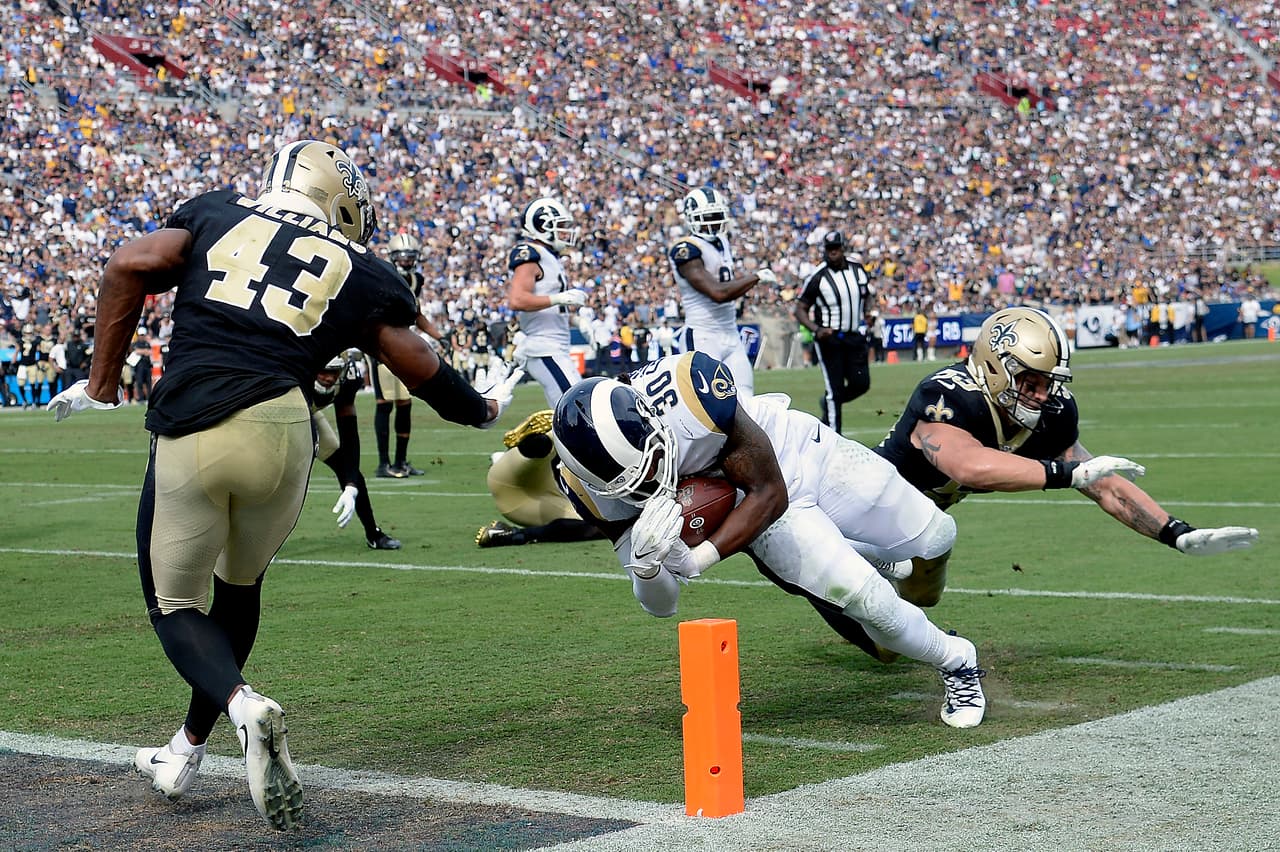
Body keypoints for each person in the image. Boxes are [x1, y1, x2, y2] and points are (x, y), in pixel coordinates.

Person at [46, 139, 522, 831]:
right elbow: (418, 362)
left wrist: (101, 385)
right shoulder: (362, 267)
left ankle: (243, 706)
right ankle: (185, 749)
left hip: (200, 422)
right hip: (289, 432)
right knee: (240, 591)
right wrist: (481, 408)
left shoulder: (217, 212)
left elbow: (129, 263)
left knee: (176, 603)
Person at [550, 352, 988, 729]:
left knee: (935, 535)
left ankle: (867, 553)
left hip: (794, 454)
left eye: (653, 461)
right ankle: (958, 661)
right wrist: (647, 569)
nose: (649, 481)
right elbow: (663, 605)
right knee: (869, 602)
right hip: (758, 513)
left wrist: (699, 559)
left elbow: (771, 491)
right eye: (631, 483)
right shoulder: (584, 487)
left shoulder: (690, 391)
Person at [857, 306, 1259, 660]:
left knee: (922, 596)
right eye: (1030, 381)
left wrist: (1175, 533)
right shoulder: (948, 395)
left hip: (921, 524)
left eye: (1048, 382)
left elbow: (1102, 483)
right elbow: (968, 467)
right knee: (886, 644)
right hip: (854, 516)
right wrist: (1063, 475)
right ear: (995, 367)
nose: (1041, 394)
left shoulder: (1052, 412)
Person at [668, 187, 776, 397]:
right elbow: (718, 294)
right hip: (703, 335)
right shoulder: (685, 249)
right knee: (709, 407)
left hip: (731, 334)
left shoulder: (722, 242)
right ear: (691, 218)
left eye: (716, 217)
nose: (712, 222)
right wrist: (756, 277)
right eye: (706, 217)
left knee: (746, 402)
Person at [474, 409, 607, 548]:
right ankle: (515, 535)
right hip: (524, 476)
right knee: (554, 443)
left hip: (523, 495)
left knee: (596, 524)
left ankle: (509, 533)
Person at [372, 232, 447, 478]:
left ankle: (401, 462)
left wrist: (439, 336)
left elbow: (417, 314)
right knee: (384, 404)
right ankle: (384, 464)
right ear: (393, 257)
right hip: (379, 345)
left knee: (405, 404)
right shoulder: (380, 274)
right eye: (402, 257)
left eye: (410, 257)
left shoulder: (416, 280)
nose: (406, 262)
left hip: (403, 345)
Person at [312, 352, 401, 550]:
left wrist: (351, 485)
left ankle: (373, 533)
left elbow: (349, 432)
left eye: (334, 372)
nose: (329, 378)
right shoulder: (294, 366)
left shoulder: (349, 377)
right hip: (275, 417)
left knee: (348, 469)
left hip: (309, 412)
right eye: (324, 371)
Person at [506, 196, 588, 406]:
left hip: (555, 347)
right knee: (577, 410)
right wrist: (559, 298)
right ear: (542, 227)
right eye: (559, 226)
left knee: (573, 416)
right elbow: (517, 299)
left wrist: (577, 322)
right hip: (543, 347)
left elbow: (548, 308)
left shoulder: (550, 257)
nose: (564, 232)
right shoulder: (530, 253)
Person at [793, 230, 874, 434]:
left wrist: (868, 312)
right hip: (830, 340)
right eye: (829, 249)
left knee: (861, 383)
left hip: (854, 336)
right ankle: (834, 438)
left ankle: (829, 404)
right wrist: (816, 329)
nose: (833, 253)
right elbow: (800, 309)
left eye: (836, 248)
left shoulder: (857, 270)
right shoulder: (818, 276)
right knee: (834, 390)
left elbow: (867, 295)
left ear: (843, 248)